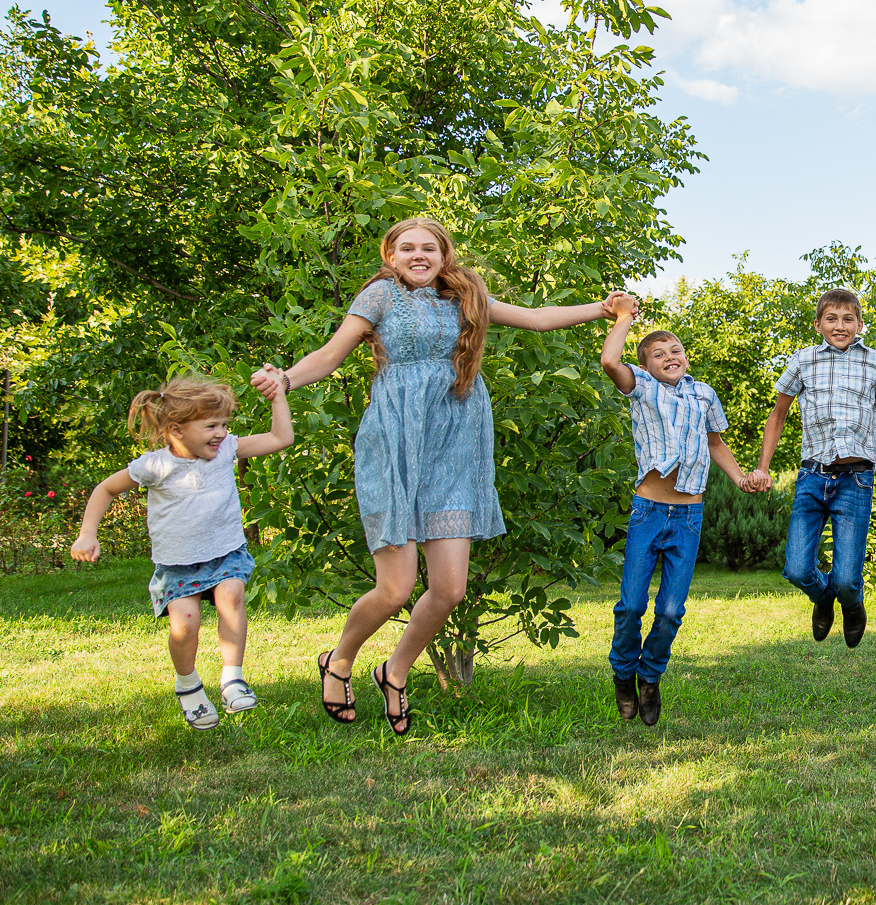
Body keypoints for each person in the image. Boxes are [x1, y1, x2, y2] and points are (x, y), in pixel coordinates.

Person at [251, 216, 632, 736]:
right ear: (391, 256)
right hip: (395, 445)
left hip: (455, 448)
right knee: (395, 588)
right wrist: (285, 379)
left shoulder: (466, 296)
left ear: (444, 253)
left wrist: (604, 309)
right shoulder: (380, 298)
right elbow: (330, 355)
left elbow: (539, 318)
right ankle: (338, 660)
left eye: (429, 248)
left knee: (450, 588)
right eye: (407, 248)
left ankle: (395, 671)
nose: (418, 255)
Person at [70, 371, 293, 730]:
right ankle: (188, 685)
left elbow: (282, 437)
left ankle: (232, 678)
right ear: (176, 430)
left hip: (224, 552)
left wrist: (278, 396)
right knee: (185, 625)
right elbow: (105, 489)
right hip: (177, 565)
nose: (220, 433)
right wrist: (87, 533)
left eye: (223, 424)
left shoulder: (227, 450)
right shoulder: (154, 465)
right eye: (210, 426)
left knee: (232, 596)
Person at [599, 301, 758, 726]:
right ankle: (623, 673)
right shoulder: (642, 389)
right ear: (646, 366)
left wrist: (741, 478)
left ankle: (649, 676)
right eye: (659, 353)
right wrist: (623, 317)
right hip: (649, 511)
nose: (671, 356)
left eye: (676, 349)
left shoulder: (703, 393)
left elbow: (715, 444)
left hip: (689, 516)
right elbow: (609, 359)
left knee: (670, 610)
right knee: (631, 605)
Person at [749, 288, 876, 648]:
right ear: (818, 324)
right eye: (832, 318)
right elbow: (778, 415)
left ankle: (851, 601)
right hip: (812, 476)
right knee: (797, 569)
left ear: (860, 324)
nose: (840, 325)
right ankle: (822, 597)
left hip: (856, 480)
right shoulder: (802, 361)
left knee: (847, 578)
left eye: (848, 319)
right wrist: (763, 467)